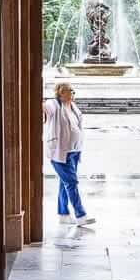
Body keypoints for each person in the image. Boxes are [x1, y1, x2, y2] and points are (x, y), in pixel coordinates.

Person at [43, 82, 96, 226]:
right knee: (71, 182)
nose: (73, 94)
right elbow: (44, 108)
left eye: (73, 91)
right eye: (70, 91)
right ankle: (81, 215)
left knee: (64, 183)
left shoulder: (72, 106)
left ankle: (63, 214)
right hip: (60, 152)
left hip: (74, 152)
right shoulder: (53, 104)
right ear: (61, 92)